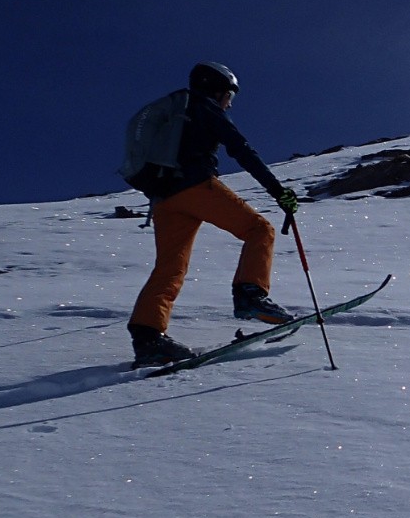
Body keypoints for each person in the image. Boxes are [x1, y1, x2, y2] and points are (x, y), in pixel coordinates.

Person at [126, 62, 301, 367]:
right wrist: (278, 191)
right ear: (217, 90)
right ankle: (251, 296)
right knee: (260, 230)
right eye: (229, 95)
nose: (230, 102)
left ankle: (148, 339)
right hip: (195, 186)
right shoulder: (205, 107)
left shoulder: (176, 113)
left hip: (163, 199)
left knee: (169, 269)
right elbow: (241, 149)